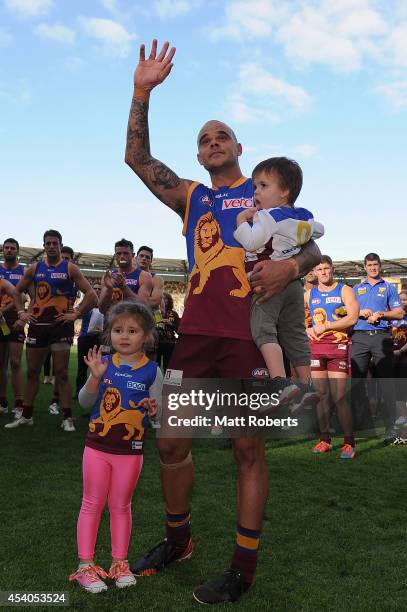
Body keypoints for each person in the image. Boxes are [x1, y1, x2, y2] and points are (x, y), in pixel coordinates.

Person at [124, 39, 321, 605]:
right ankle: (178, 539)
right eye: (203, 139)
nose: (212, 143)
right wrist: (142, 92)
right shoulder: (191, 199)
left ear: (239, 147)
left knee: (247, 451)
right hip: (196, 340)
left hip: (249, 342)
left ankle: (243, 566)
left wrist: (288, 267)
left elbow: (313, 251)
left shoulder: (268, 196)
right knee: (169, 444)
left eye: (221, 136)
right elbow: (138, 160)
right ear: (199, 156)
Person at [69, 302, 162, 593]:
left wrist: (155, 411)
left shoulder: (153, 371)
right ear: (109, 334)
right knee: (91, 503)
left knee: (121, 506)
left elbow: (161, 418)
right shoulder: (103, 363)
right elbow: (84, 402)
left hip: (130, 453)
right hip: (96, 448)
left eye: (132, 330)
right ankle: (85, 567)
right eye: (118, 330)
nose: (124, 336)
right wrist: (95, 377)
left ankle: (119, 563)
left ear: (146, 336)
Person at [234, 157, 324, 405]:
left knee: (263, 330)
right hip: (294, 286)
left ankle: (280, 382)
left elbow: (251, 242)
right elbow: (319, 230)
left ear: (284, 191)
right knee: (294, 333)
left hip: (267, 285)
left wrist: (241, 222)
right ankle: (307, 385)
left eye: (263, 186)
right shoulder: (302, 216)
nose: (256, 192)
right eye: (255, 187)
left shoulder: (267, 216)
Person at [5, 230, 97, 432]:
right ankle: (27, 416)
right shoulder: (34, 268)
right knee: (32, 373)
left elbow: (91, 295)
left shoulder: (70, 268)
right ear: (44, 246)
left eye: (55, 243)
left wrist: (76, 314)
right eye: (48, 243)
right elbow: (15, 291)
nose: (52, 246)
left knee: (62, 373)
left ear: (60, 245)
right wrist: (21, 312)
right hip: (37, 327)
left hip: (60, 327)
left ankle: (67, 417)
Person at [305, 256, 359, 458]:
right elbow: (294, 318)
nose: (324, 272)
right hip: (316, 349)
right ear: (315, 272)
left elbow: (352, 317)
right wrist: (306, 329)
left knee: (339, 397)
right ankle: (324, 439)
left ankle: (349, 443)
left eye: (327, 268)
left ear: (333, 269)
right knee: (321, 397)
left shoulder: (344, 290)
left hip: (337, 349)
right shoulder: (309, 294)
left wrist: (326, 326)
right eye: (320, 269)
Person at [351, 253, 403, 444]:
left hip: (381, 337)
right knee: (356, 383)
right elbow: (345, 312)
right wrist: (359, 312)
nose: (373, 268)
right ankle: (360, 425)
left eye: (375, 264)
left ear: (380, 266)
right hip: (359, 338)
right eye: (369, 265)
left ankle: (390, 427)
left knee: (386, 383)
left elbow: (399, 313)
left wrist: (382, 314)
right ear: (364, 267)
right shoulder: (356, 288)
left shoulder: (389, 287)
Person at [0, 238, 28, 416]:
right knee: (0, 363)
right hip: (0, 322)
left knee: (16, 362)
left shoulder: (23, 271)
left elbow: (24, 297)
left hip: (15, 320)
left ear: (17, 251)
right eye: (6, 248)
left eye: (12, 248)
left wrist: (6, 310)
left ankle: (19, 403)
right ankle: (2, 402)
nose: (9, 250)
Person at [99, 239, 152, 315]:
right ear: (115, 256)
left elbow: (143, 306)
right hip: (112, 324)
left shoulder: (144, 276)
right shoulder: (108, 277)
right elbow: (102, 309)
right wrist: (109, 289)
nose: (122, 256)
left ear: (133, 255)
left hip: (134, 323)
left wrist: (124, 287)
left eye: (126, 253)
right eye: (119, 253)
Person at [135, 245, 164, 359]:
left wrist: (128, 298)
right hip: (127, 324)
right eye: (141, 256)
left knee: (148, 362)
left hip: (148, 327)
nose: (144, 258)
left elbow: (155, 302)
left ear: (151, 261)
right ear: (136, 258)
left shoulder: (156, 279)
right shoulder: (127, 276)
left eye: (147, 257)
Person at [75, 282, 103, 397]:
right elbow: (77, 313)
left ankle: (97, 392)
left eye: (99, 289)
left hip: (99, 339)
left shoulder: (105, 303)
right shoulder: (86, 302)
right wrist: (86, 306)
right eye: (94, 288)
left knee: (98, 367)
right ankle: (79, 392)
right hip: (85, 338)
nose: (96, 290)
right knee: (82, 366)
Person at [392, 290, 407, 436]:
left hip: (404, 358)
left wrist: (401, 351)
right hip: (392, 358)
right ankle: (401, 415)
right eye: (400, 299)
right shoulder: (393, 316)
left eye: (405, 299)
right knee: (396, 386)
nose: (402, 302)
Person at [156, 292, 180, 372]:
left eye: (165, 298)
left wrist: (171, 324)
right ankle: (155, 382)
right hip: (157, 343)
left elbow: (179, 330)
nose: (163, 300)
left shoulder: (174, 314)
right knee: (156, 366)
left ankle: (170, 383)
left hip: (170, 343)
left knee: (170, 367)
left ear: (169, 300)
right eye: (161, 298)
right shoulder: (155, 312)